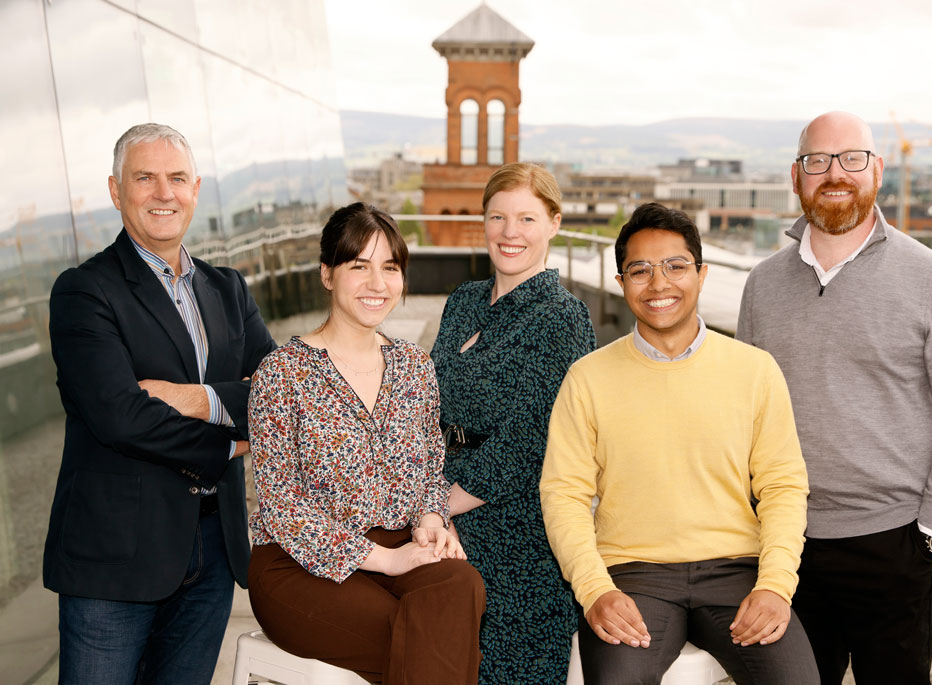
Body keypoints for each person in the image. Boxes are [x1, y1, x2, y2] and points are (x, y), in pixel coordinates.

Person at [736, 111, 932, 684]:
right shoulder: (762, 285)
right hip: (785, 544)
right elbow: (744, 412)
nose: (835, 173)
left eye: (852, 158)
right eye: (818, 160)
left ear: (877, 170)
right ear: (796, 176)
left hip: (893, 543)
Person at [541, 203, 819, 685]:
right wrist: (594, 590)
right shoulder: (587, 378)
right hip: (632, 573)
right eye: (640, 270)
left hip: (737, 570)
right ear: (621, 282)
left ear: (701, 274)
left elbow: (783, 487)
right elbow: (563, 494)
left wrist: (776, 586)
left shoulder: (755, 371)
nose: (659, 284)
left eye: (675, 266)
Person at [43, 123, 276, 683]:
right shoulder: (84, 292)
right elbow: (122, 418)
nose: (163, 192)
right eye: (144, 178)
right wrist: (229, 445)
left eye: (176, 178)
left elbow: (282, 393)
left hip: (214, 549)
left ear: (195, 188)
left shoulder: (228, 289)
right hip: (116, 558)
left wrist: (196, 399)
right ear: (116, 190)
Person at [247, 202, 485, 685]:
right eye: (359, 266)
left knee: (461, 585)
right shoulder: (283, 373)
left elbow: (429, 468)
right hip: (298, 563)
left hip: (396, 541)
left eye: (390, 268)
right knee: (426, 630)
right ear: (327, 274)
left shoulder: (414, 367)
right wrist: (387, 561)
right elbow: (283, 507)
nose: (378, 283)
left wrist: (431, 520)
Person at [430, 162, 596, 683]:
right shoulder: (463, 301)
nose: (509, 232)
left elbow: (532, 440)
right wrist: (429, 503)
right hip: (441, 512)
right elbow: (424, 407)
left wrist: (439, 505)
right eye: (498, 217)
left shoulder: (563, 317)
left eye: (526, 218)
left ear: (554, 223)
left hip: (517, 534)